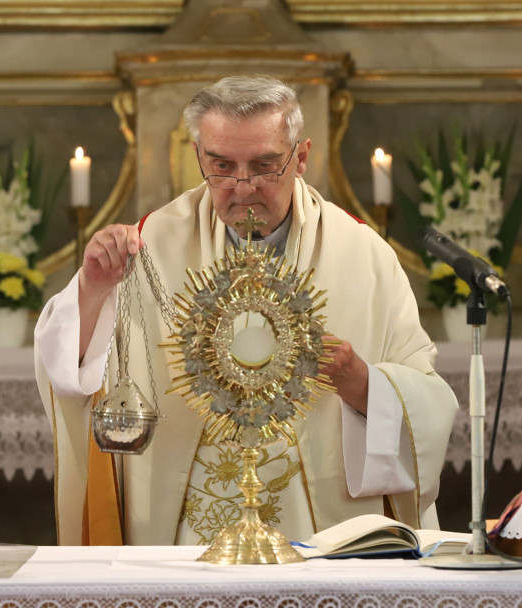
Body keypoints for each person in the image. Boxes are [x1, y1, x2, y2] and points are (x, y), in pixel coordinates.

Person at [34, 76, 458, 546]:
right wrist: (93, 287)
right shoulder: (149, 244)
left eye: (264, 165)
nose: (243, 187)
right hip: (184, 541)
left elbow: (429, 404)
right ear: (198, 157)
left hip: (320, 541)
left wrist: (361, 383)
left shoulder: (364, 256)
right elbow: (69, 374)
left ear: (300, 158)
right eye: (222, 166)